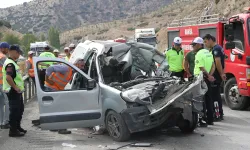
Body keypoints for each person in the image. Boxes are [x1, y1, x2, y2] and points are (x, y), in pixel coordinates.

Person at [44, 59, 85, 134]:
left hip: (55, 89)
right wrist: (47, 79)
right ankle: (61, 128)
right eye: (82, 65)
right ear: (76, 64)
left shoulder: (71, 71)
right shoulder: (66, 68)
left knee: (55, 108)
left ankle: (54, 127)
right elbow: (50, 68)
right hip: (51, 88)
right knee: (62, 108)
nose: (82, 68)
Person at [2, 45, 26, 137]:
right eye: (18, 52)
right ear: (12, 52)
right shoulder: (10, 64)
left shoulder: (13, 62)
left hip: (17, 91)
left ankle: (17, 127)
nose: (19, 54)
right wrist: (15, 87)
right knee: (14, 111)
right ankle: (13, 131)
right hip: (12, 91)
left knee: (20, 109)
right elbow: (8, 77)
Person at [192, 37, 215, 126]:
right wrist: (210, 76)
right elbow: (213, 66)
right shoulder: (208, 53)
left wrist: (208, 76)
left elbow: (201, 67)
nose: (193, 47)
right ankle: (210, 119)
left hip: (200, 79)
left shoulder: (199, 54)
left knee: (200, 100)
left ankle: (202, 120)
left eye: (194, 45)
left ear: (199, 45)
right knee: (209, 99)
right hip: (207, 79)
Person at [203, 34, 225, 121]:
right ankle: (219, 113)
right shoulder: (218, 48)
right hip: (216, 75)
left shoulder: (216, 49)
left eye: (205, 41)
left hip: (215, 75)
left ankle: (217, 115)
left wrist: (221, 73)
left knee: (214, 96)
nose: (205, 44)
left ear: (210, 40)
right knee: (216, 95)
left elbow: (218, 62)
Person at [0, 42, 10, 129]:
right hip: (2, 84)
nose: (8, 50)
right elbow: (7, 70)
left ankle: (0, 122)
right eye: (7, 49)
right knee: (7, 102)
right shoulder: (3, 57)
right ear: (3, 48)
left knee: (0, 103)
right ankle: (5, 122)